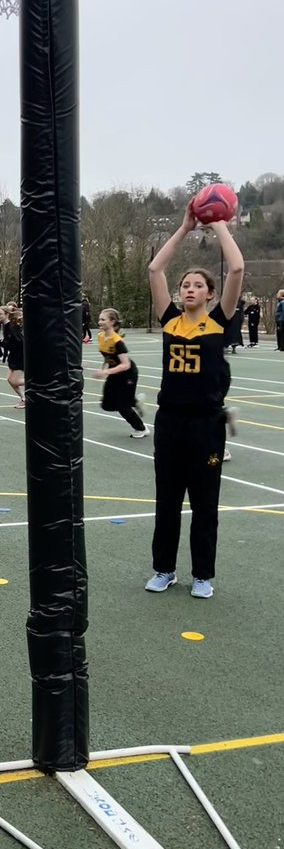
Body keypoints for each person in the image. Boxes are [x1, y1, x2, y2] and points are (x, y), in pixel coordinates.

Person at [144, 203, 244, 599]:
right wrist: (184, 228)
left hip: (206, 423)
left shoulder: (218, 321)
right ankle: (164, 569)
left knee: (205, 503)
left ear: (211, 294)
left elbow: (236, 268)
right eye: (185, 284)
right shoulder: (169, 319)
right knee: (167, 501)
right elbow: (154, 270)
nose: (189, 289)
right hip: (170, 421)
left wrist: (218, 224)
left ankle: (202, 574)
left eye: (197, 285)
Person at [93, 308, 148, 439]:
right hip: (115, 373)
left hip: (127, 374)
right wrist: (103, 369)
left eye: (103, 319)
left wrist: (106, 371)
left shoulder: (117, 341)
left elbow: (125, 364)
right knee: (106, 404)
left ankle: (141, 428)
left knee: (123, 406)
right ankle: (135, 401)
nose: (99, 322)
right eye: (99, 319)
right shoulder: (101, 337)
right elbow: (107, 357)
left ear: (112, 322)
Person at [0, 305, 25, 406]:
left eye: (0, 314)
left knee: (15, 381)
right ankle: (23, 399)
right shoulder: (6, 326)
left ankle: (37, 381)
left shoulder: (12, 327)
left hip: (19, 356)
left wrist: (3, 343)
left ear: (7, 315)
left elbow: (19, 342)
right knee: (9, 379)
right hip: (13, 356)